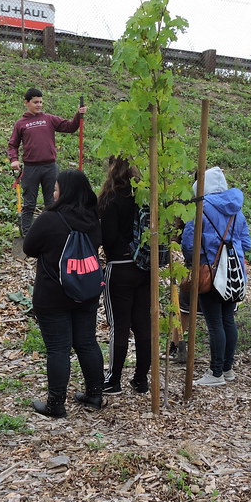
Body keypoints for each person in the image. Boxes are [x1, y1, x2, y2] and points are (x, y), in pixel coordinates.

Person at [23, 168, 105, 417]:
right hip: (86, 292)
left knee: (58, 348)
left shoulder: (50, 219)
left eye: (56, 188)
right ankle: (94, 394)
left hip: (52, 294)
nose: (53, 192)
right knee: (87, 342)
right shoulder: (93, 220)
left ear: (65, 192)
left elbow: (29, 247)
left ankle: (56, 404)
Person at [181, 167, 251, 386]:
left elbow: (189, 243)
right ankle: (228, 369)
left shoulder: (200, 207)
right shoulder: (235, 209)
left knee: (214, 323)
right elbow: (247, 243)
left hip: (209, 273)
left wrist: (197, 258)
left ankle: (216, 372)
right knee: (228, 320)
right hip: (233, 273)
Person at [96, 156, 152, 395]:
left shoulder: (109, 198)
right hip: (144, 266)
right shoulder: (142, 197)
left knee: (119, 325)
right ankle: (141, 379)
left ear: (112, 168)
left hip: (119, 266)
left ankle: (114, 380)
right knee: (143, 325)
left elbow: (107, 237)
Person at [7, 88, 87, 237]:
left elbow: (70, 127)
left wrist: (78, 115)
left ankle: (52, 233)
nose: (39, 105)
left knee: (52, 202)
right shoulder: (21, 124)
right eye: (35, 102)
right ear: (26, 103)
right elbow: (12, 145)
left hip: (50, 167)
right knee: (29, 204)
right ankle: (27, 235)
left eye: (41, 102)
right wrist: (14, 160)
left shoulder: (49, 119)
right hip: (31, 169)